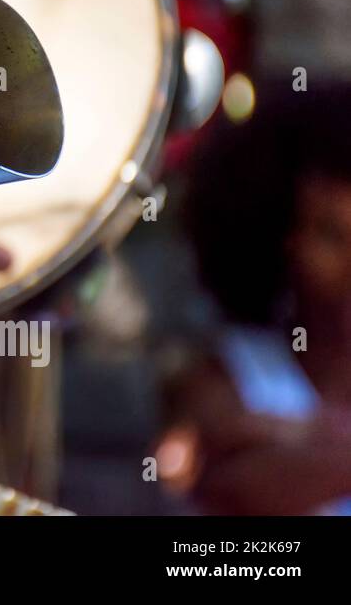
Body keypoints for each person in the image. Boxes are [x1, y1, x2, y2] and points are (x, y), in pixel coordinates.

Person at [156, 82, 351, 514]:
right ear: (281, 239)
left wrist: (302, 435)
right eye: (331, 235)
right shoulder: (226, 378)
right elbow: (234, 487)